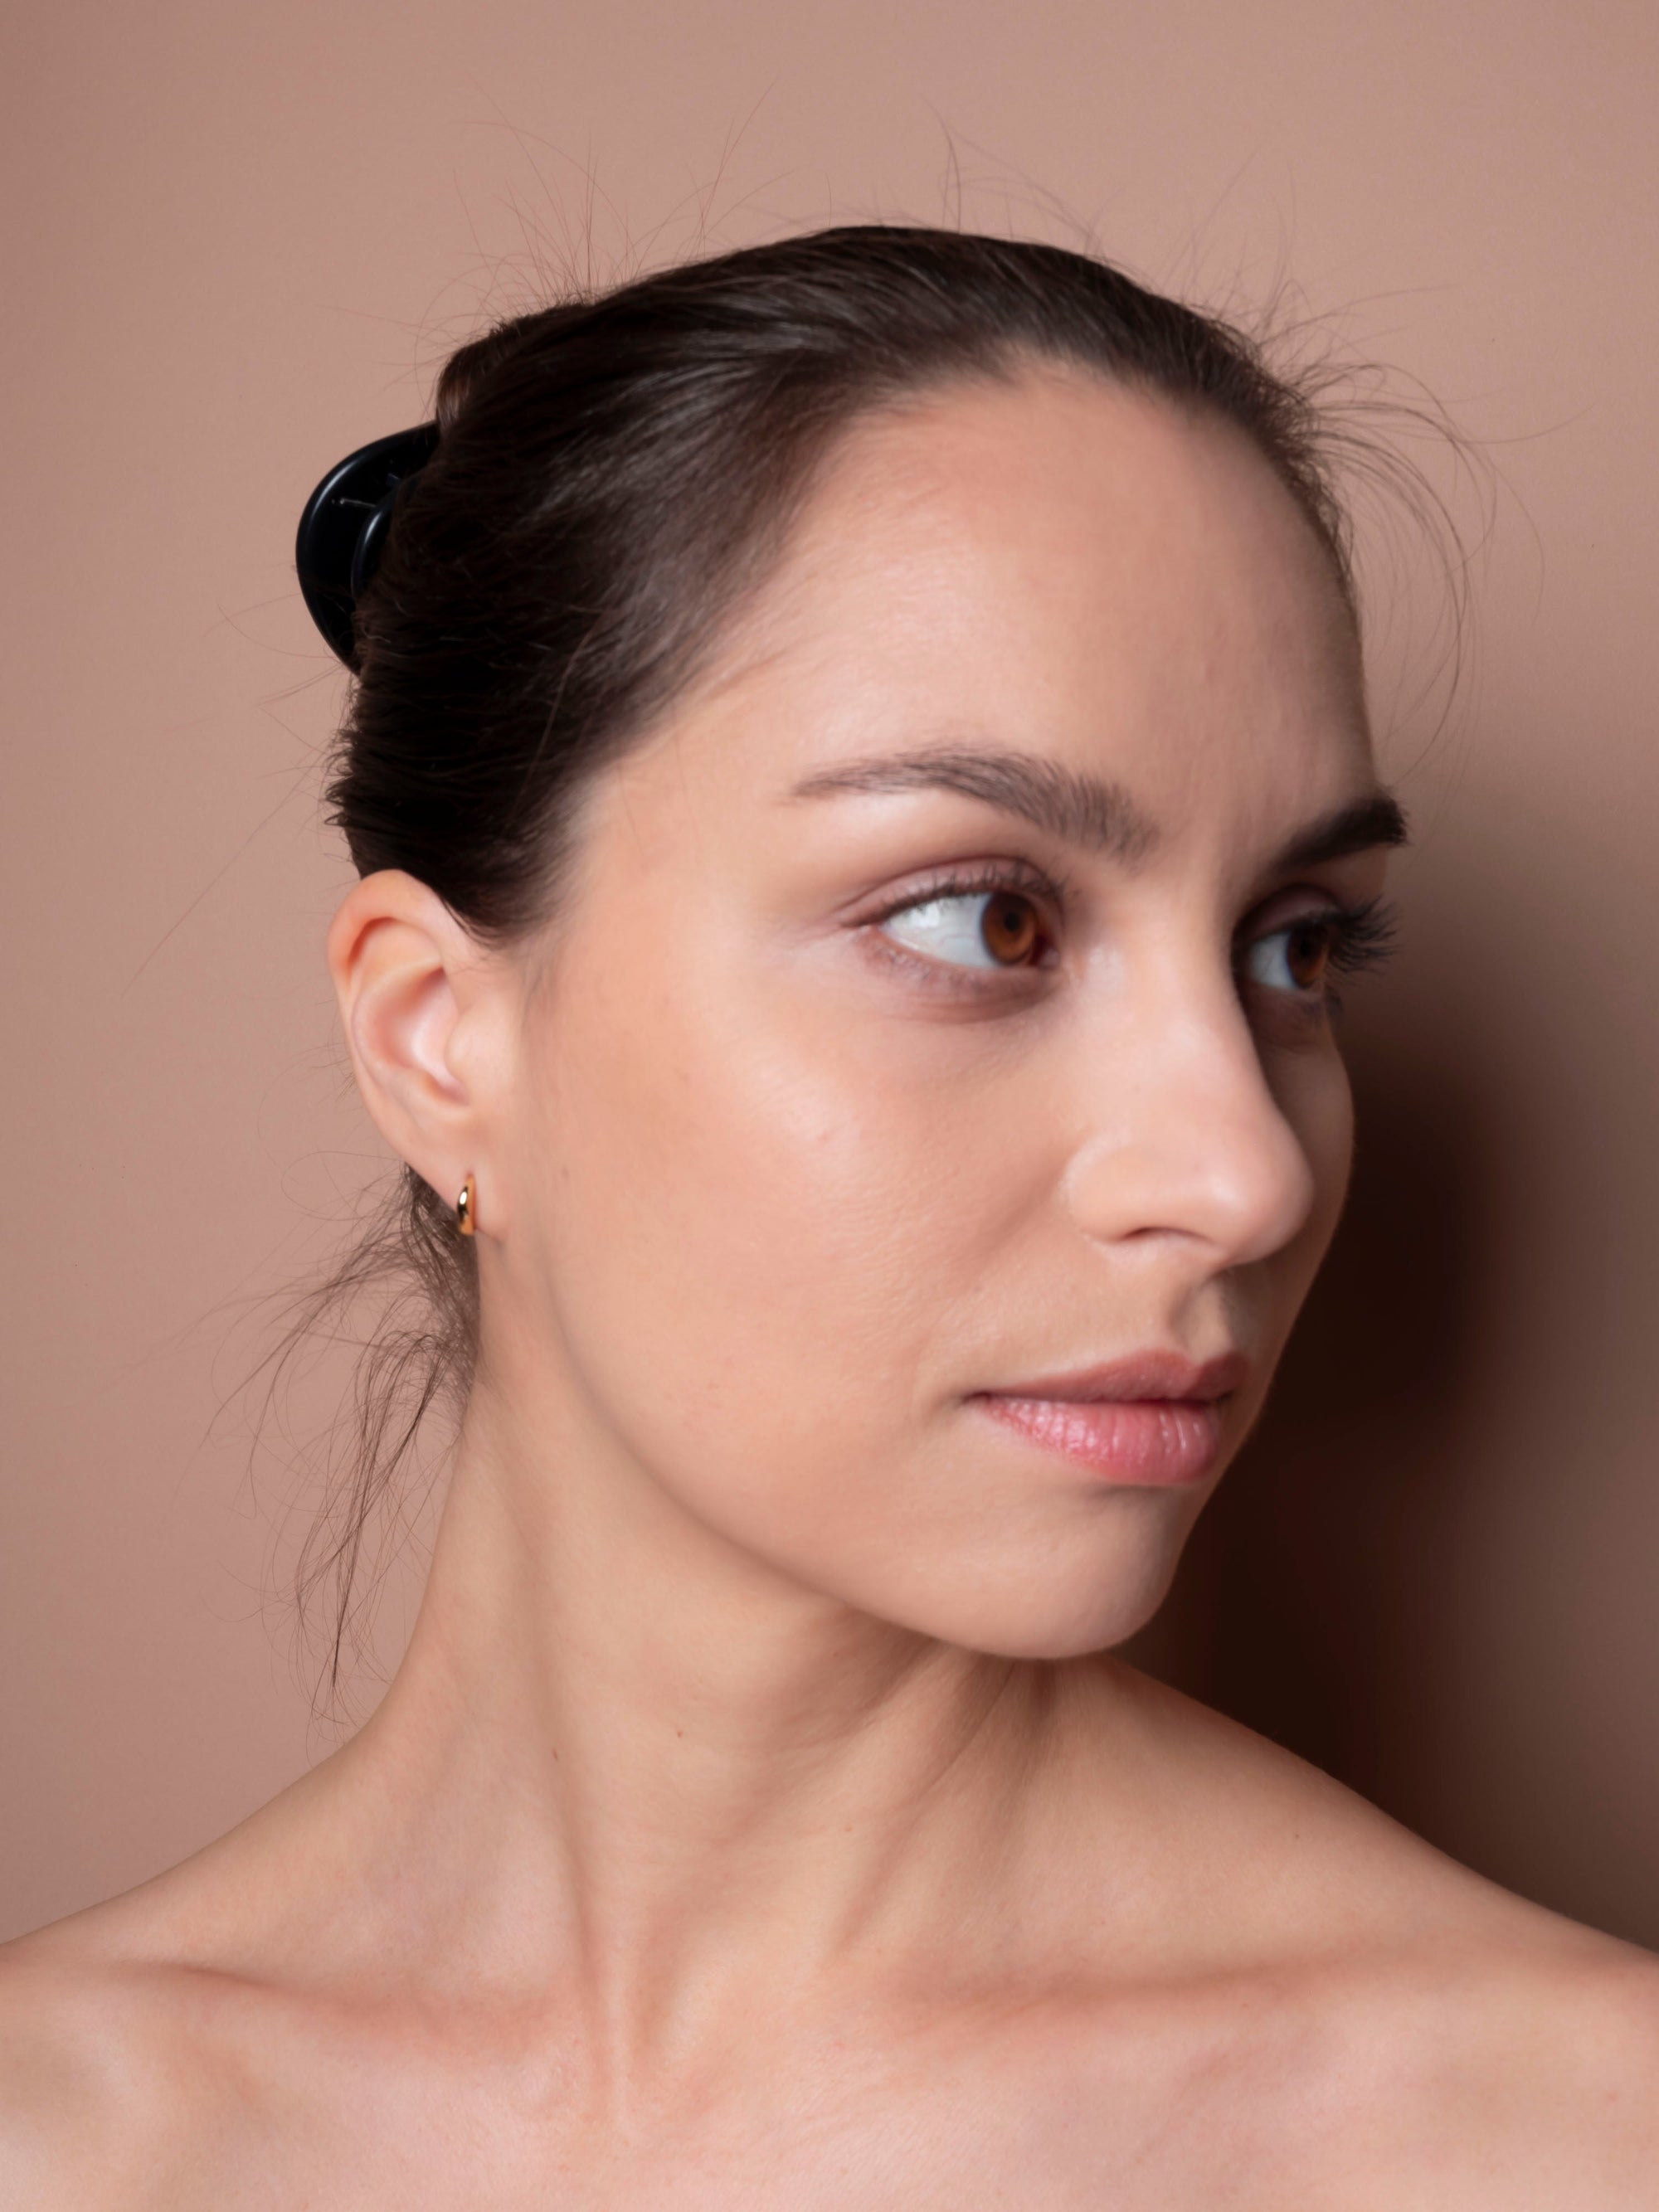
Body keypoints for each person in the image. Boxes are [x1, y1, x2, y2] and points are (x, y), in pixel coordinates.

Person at [2, 225, 1655, 2205]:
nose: (1246, 1173)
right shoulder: (60, 2127)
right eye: (989, 918)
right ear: (440, 1036)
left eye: (1297, 948)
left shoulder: (1568, 2136)